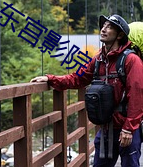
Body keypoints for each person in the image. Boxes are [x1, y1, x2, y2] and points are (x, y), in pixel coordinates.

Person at [30, 14, 143, 167]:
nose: (103, 29)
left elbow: (137, 95)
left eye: (109, 27)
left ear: (120, 35)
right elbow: (77, 78)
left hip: (126, 128)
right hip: (106, 128)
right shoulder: (98, 60)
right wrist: (51, 79)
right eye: (103, 26)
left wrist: (129, 129)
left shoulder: (131, 60)